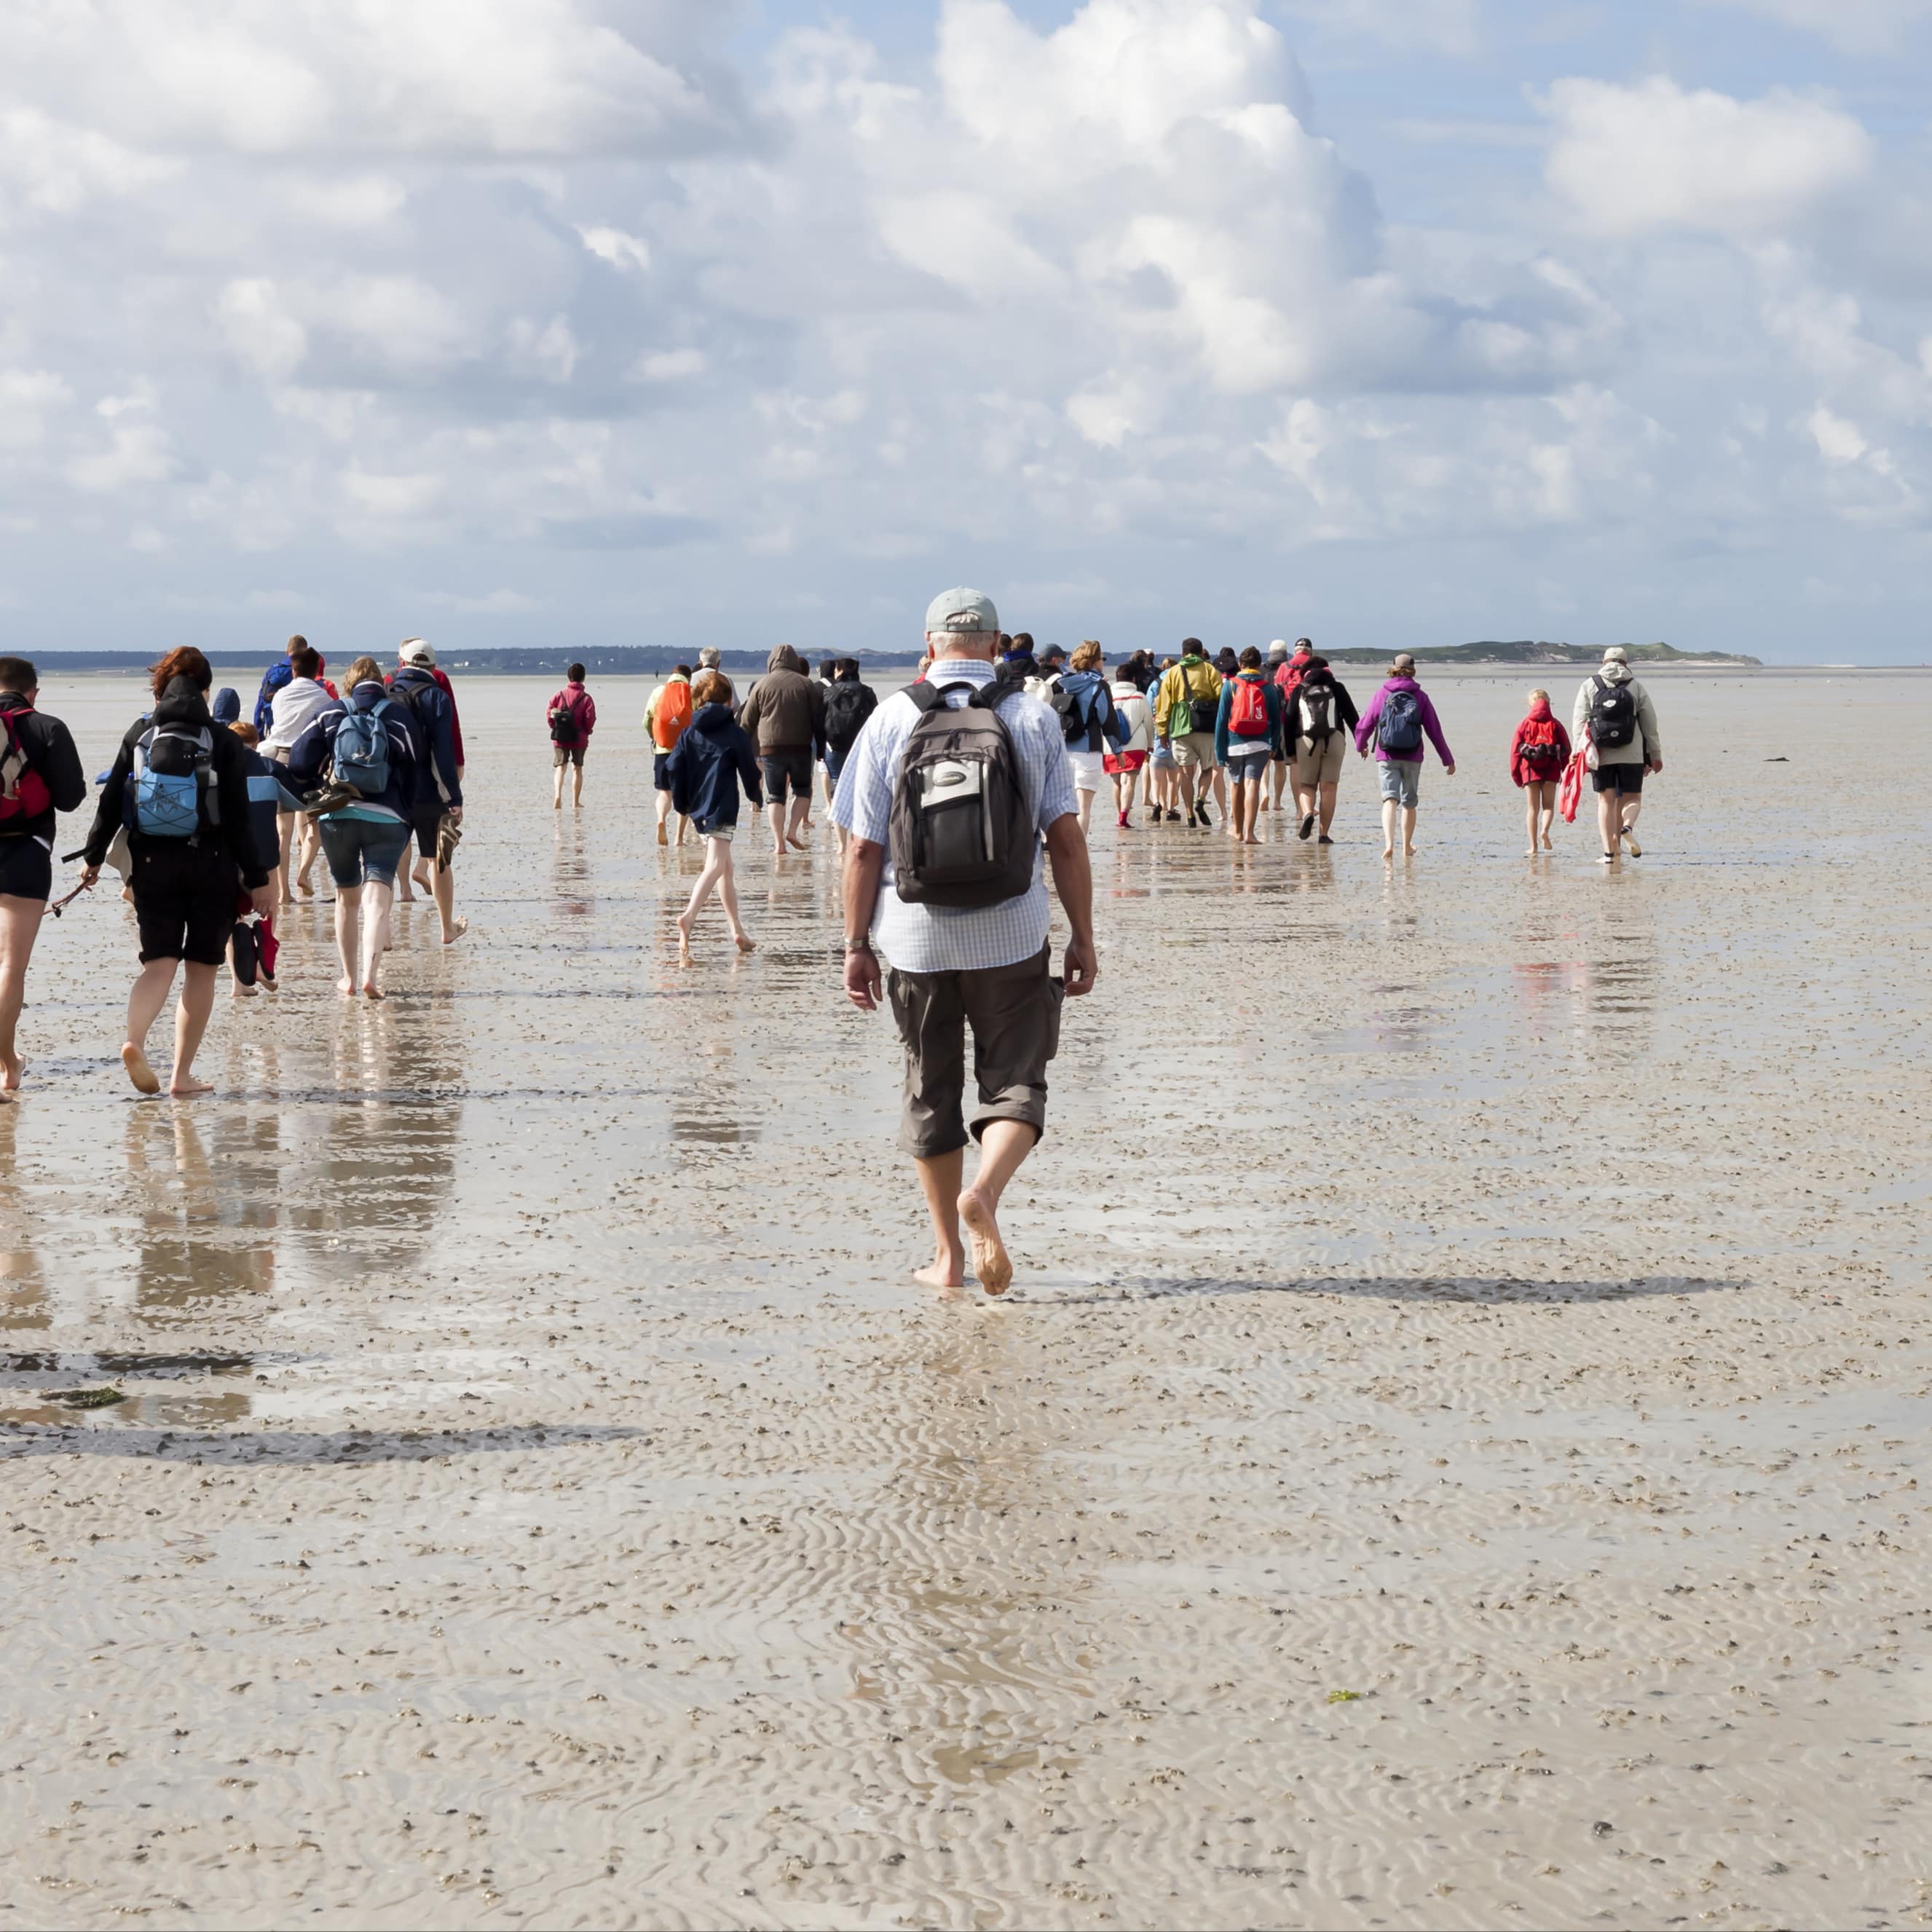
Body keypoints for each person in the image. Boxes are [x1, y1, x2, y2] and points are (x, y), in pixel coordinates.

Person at [832, 585, 1095, 1298]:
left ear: (928, 647)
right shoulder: (1030, 716)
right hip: (1011, 930)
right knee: (1016, 1081)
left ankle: (947, 1258)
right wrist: (1082, 937)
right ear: (996, 642)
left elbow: (860, 850)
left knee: (930, 1092)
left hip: (914, 938)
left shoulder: (890, 719)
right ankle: (984, 1191)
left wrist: (856, 943)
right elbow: (1065, 841)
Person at [82, 647, 277, 1096]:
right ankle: (180, 1076)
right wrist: (260, 880)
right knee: (202, 971)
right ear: (206, 690)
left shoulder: (141, 732)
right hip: (211, 865)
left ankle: (134, 1039)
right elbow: (239, 818)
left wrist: (93, 859)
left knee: (159, 962)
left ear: (161, 688)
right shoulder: (223, 740)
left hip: (151, 865)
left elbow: (111, 801)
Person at [283, 655, 425, 997]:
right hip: (387, 818)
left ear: (349, 683)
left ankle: (347, 978)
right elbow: (416, 767)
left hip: (338, 817)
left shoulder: (332, 712)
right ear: (382, 682)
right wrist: (407, 814)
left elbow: (300, 760)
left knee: (347, 899)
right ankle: (370, 976)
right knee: (377, 898)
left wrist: (319, 785)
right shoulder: (398, 716)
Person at [0, 657, 87, 1095]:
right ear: (33, 692)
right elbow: (72, 798)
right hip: (25, 852)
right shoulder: (48, 727)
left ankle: (9, 1060)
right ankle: (7, 1067)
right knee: (11, 968)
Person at [666, 669, 761, 955]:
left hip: (698, 808)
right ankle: (689, 916)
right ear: (728, 701)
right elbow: (748, 769)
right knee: (717, 866)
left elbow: (673, 767)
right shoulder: (735, 733)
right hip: (721, 807)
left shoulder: (688, 732)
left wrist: (682, 804)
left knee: (726, 869)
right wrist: (757, 797)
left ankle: (737, 931)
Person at [387, 639, 466, 942]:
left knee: (386, 859)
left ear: (400, 662)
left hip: (393, 792)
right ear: (433, 667)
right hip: (430, 793)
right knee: (440, 860)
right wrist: (455, 798)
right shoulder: (437, 697)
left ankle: (383, 934)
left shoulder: (386, 695)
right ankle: (447, 928)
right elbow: (443, 752)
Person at [1353, 652, 1455, 861]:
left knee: (1389, 799)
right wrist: (1448, 759)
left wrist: (1360, 745)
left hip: (1386, 753)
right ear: (1413, 670)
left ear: (1393, 668)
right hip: (1412, 754)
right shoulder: (1421, 696)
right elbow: (1434, 730)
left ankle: (1389, 843)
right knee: (1409, 802)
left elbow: (1366, 723)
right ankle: (1407, 845)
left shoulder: (1382, 693)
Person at [1572, 647, 1663, 864]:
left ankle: (1609, 853)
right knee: (1632, 798)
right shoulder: (1636, 686)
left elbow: (1579, 720)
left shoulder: (1589, 685)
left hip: (1600, 753)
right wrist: (1655, 754)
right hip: (1632, 753)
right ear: (1626, 664)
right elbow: (1650, 723)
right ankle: (1627, 827)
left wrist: (1578, 751)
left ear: (1604, 662)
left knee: (1606, 801)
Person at [261, 642, 334, 901]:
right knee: (315, 827)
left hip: (281, 759)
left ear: (293, 670)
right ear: (317, 672)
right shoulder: (323, 698)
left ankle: (284, 892)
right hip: (311, 764)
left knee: (284, 831)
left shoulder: (280, 696)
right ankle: (304, 871)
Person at [739, 644, 826, 858]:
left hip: (770, 748)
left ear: (771, 662)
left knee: (776, 796)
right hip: (801, 747)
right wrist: (821, 749)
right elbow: (819, 720)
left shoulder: (761, 685)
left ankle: (779, 844)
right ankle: (793, 831)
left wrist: (740, 750)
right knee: (802, 791)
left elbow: (747, 722)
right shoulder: (807, 685)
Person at [1213, 645, 1284, 844]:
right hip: (1260, 744)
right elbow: (1276, 721)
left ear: (1241, 665)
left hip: (1234, 744)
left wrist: (1220, 752)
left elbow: (1221, 721)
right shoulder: (1267, 688)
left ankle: (1237, 830)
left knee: (1236, 785)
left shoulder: (1230, 686)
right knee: (1252, 783)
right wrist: (1274, 745)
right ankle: (1250, 834)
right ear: (1259, 665)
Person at [1288, 655, 1359, 843]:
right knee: (1329, 788)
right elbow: (1352, 717)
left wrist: (1290, 752)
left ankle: (1308, 813)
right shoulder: (1337, 687)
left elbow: (1288, 720)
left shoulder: (1300, 689)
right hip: (1334, 739)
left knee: (1306, 785)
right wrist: (1362, 743)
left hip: (1306, 741)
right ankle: (1324, 834)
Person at [1057, 642, 1125, 835]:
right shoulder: (1099, 686)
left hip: (1063, 750)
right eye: (1102, 659)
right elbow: (1108, 719)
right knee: (1083, 808)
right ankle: (1077, 854)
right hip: (1088, 750)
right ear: (1095, 661)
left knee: (1063, 807)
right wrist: (1117, 749)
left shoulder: (1064, 684)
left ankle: (1058, 848)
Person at [1154, 639, 1223, 828]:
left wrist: (1162, 732)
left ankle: (1189, 814)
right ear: (1201, 652)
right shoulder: (1210, 670)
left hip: (1181, 727)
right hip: (1206, 726)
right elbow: (1221, 696)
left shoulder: (1173, 673)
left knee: (1185, 774)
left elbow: (1164, 706)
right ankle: (1201, 799)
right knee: (1208, 769)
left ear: (1183, 653)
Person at [821, 659, 878, 855]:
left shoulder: (830, 692)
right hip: (861, 747)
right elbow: (875, 721)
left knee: (837, 790)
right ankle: (858, 837)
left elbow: (820, 719)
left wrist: (821, 746)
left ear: (839, 671)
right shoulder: (868, 691)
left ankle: (841, 845)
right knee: (860, 790)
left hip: (834, 746)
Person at [1510, 687, 1572, 856]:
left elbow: (1515, 753)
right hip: (1551, 771)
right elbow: (1567, 749)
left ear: (1530, 704)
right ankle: (1545, 830)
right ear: (1548, 703)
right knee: (1548, 807)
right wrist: (1567, 773)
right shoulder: (1555, 724)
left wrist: (1516, 777)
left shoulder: (1524, 724)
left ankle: (1533, 847)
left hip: (1529, 772)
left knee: (1532, 809)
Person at [645, 663, 695, 846]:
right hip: (686, 751)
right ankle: (679, 838)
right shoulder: (691, 692)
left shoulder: (658, 691)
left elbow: (647, 719)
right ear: (688, 678)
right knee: (684, 795)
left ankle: (661, 818)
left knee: (664, 792)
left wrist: (655, 737)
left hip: (662, 749)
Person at [1269, 637, 1316, 810]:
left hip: (1285, 719)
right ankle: (1301, 808)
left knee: (1281, 764)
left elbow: (1277, 693)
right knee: (1300, 766)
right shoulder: (1315, 667)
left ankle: (1277, 802)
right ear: (1310, 651)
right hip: (1308, 722)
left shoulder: (1284, 667)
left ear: (1295, 651)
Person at [1105, 659, 1152, 829]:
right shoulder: (1140, 696)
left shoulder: (1108, 695)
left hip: (1111, 745)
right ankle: (1124, 815)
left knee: (1116, 782)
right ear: (1133, 679)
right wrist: (1150, 746)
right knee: (1129, 781)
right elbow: (1148, 724)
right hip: (1136, 745)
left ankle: (1120, 815)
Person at [548, 662, 596, 810]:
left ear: (569, 677)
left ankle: (558, 796)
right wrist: (587, 731)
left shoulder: (559, 695)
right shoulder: (586, 698)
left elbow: (549, 713)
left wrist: (554, 727)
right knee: (577, 768)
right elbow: (590, 718)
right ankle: (576, 802)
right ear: (583, 678)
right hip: (579, 737)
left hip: (560, 736)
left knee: (560, 767)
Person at [252, 634, 309, 739]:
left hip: (275, 729)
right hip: (300, 732)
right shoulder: (307, 672)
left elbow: (261, 703)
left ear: (287, 652)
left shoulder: (273, 671)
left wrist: (259, 734)